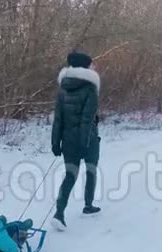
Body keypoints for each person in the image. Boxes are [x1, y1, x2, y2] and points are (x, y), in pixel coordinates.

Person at [51, 51, 101, 231]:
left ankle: (59, 213)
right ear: (85, 67)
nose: (94, 66)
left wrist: (55, 142)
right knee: (91, 170)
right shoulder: (90, 89)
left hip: (68, 140)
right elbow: (87, 119)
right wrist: (85, 141)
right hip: (87, 140)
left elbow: (58, 119)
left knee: (70, 175)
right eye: (91, 64)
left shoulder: (62, 89)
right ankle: (88, 205)